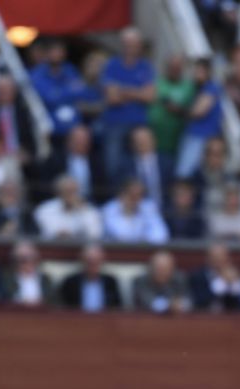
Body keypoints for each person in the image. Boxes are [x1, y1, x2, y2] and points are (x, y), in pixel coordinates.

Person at [100, 27, 157, 178]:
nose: (131, 47)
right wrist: (137, 92)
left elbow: (150, 97)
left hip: (139, 124)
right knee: (113, 165)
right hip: (115, 123)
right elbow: (112, 98)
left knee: (142, 166)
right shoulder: (112, 65)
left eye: (134, 44)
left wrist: (123, 90)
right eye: (128, 44)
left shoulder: (146, 66)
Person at [175, 58, 223, 180]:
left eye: (200, 71)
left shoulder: (211, 88)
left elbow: (198, 111)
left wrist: (177, 110)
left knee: (184, 173)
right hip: (194, 136)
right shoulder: (198, 89)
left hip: (201, 138)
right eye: (195, 70)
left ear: (208, 72)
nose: (196, 74)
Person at [101, 178, 169, 244]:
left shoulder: (148, 208)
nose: (136, 200)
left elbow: (160, 235)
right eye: (132, 195)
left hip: (143, 251)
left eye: (139, 195)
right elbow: (120, 236)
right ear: (122, 194)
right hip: (116, 252)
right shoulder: (108, 210)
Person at [34, 176, 103, 241]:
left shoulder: (89, 210)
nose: (70, 195)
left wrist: (81, 211)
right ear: (58, 192)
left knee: (93, 252)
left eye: (73, 191)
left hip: (80, 248)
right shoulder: (44, 209)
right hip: (53, 248)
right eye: (66, 191)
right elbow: (50, 232)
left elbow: (95, 234)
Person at [60, 243, 123, 312]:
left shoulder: (110, 282)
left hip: (105, 320)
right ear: (83, 261)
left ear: (102, 262)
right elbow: (64, 308)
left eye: (96, 262)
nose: (92, 266)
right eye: (89, 262)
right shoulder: (71, 282)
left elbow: (117, 307)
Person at [189, 243, 240, 312]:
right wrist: (222, 282)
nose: (219, 260)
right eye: (215, 257)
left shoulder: (234, 275)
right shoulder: (198, 276)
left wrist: (233, 285)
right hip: (204, 317)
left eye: (222, 257)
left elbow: (239, 305)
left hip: (229, 318)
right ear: (208, 258)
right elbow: (199, 301)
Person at [1, 240, 56, 308]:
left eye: (32, 258)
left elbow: (53, 300)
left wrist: (41, 301)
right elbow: (5, 299)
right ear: (15, 261)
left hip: (42, 314)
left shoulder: (45, 279)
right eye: (23, 260)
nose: (29, 263)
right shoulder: (7, 278)